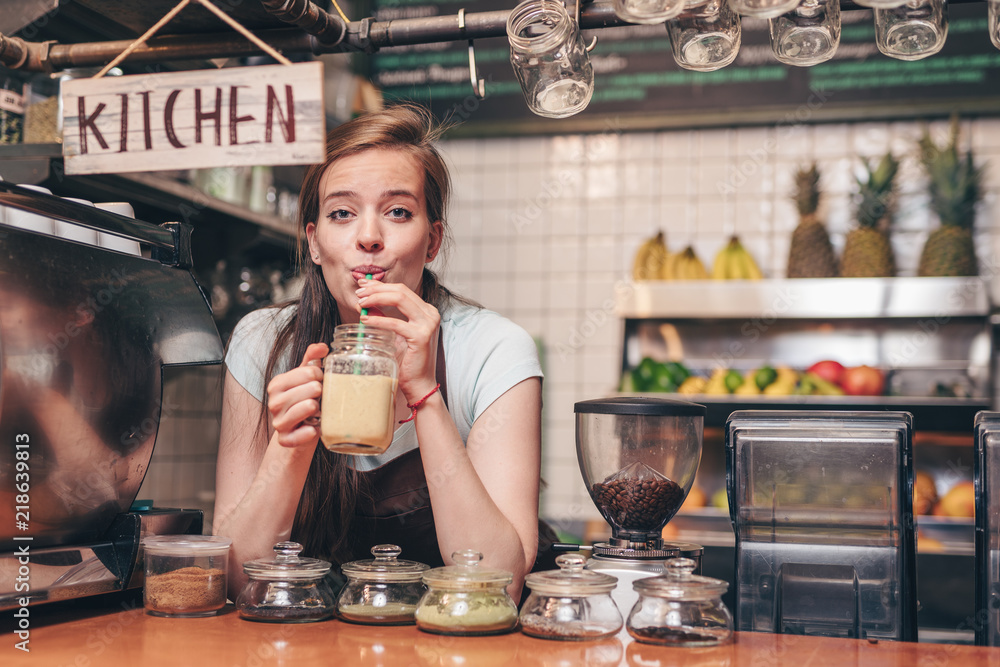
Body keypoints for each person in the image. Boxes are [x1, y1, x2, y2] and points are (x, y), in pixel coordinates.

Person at [214, 104, 548, 600]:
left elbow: (498, 584)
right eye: (342, 214)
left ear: (432, 239)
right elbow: (238, 581)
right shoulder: (263, 344)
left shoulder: (493, 349)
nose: (368, 238)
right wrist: (288, 450)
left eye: (397, 212)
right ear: (315, 243)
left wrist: (426, 397)